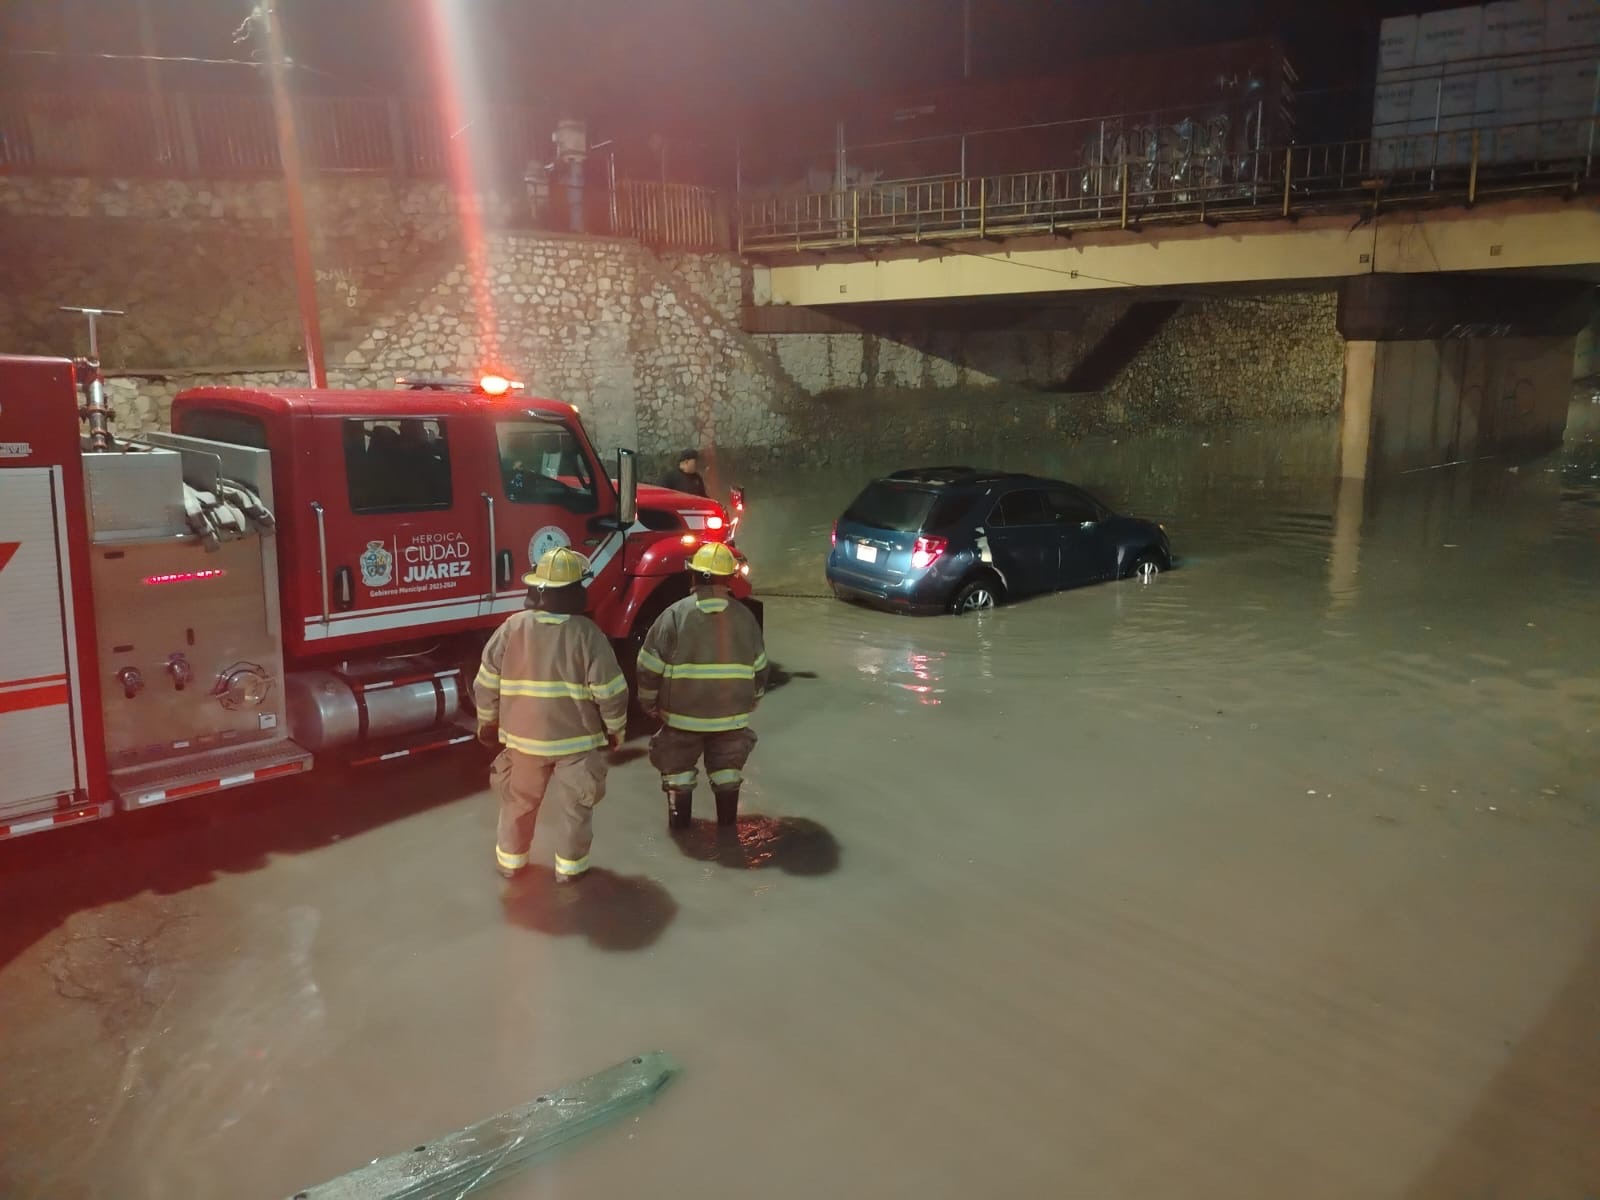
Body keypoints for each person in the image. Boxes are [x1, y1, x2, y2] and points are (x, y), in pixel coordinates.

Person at [474, 547, 629, 882]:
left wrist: (487, 721)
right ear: (575, 591)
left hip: (523, 741)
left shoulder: (512, 627)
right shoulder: (587, 633)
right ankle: (570, 872)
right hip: (576, 743)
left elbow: (485, 682)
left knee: (518, 803)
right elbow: (610, 690)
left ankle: (511, 864)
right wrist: (616, 728)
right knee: (576, 809)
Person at [636, 542, 768, 831]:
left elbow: (648, 667)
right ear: (729, 579)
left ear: (693, 575)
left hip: (681, 718)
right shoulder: (745, 618)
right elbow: (760, 669)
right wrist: (752, 700)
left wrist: (648, 702)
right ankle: (727, 831)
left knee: (678, 773)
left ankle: (680, 832)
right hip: (731, 718)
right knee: (727, 772)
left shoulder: (674, 615)